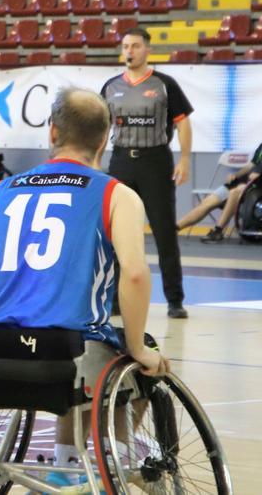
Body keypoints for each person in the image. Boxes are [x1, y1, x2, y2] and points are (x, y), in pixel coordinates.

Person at [0, 87, 170, 490]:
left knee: (71, 341)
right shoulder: (116, 194)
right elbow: (135, 276)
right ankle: (119, 461)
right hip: (67, 352)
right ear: (105, 138)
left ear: (52, 132)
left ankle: (64, 460)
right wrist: (138, 350)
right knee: (137, 353)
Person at [100, 27, 193, 319]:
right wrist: (94, 160)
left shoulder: (165, 84)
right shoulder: (111, 86)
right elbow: (102, 128)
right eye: (126, 46)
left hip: (155, 161)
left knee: (164, 233)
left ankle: (174, 300)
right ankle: (113, 300)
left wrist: (186, 159)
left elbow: (183, 124)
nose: (130, 51)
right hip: (121, 161)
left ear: (147, 49)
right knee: (115, 234)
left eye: (136, 46)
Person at [177, 110, 262, 242]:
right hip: (244, 183)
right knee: (208, 202)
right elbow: (251, 165)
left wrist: (261, 174)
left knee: (235, 192)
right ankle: (174, 228)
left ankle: (218, 231)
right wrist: (236, 174)